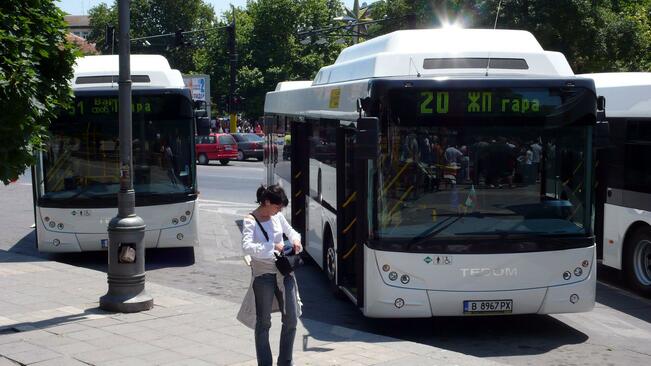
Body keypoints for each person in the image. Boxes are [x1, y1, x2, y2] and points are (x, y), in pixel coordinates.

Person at [237, 185, 303, 366]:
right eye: (277, 206)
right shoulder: (250, 220)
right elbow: (246, 247)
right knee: (263, 322)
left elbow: (293, 232)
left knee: (291, 319)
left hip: (284, 273)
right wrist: (273, 247)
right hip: (263, 274)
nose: (279, 210)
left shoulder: (278, 217)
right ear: (266, 202)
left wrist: (296, 242)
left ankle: (285, 362)